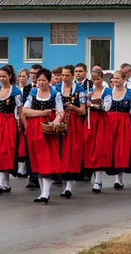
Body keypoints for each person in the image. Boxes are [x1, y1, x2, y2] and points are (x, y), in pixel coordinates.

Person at [23, 68, 64, 204]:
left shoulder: (55, 94)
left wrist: (57, 120)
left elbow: (60, 111)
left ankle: (46, 192)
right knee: (36, 158)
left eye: (43, 80)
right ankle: (42, 192)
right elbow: (25, 110)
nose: (40, 83)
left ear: (49, 80)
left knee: (47, 157)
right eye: (39, 80)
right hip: (34, 127)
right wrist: (41, 113)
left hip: (48, 128)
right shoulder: (33, 92)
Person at [106, 70, 131, 190]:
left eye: (118, 78)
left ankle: (119, 178)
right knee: (110, 149)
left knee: (121, 149)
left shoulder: (130, 93)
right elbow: (104, 108)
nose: (115, 80)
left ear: (123, 80)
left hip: (124, 123)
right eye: (114, 78)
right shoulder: (107, 92)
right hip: (110, 123)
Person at [0, 65, 23, 194]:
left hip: (9, 122)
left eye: (4, 76)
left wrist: (24, 126)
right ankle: (6, 183)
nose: (2, 79)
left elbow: (20, 111)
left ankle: (2, 183)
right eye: (0, 76)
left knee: (5, 151)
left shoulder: (16, 91)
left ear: (10, 76)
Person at [54, 65, 86, 199]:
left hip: (73, 122)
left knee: (72, 152)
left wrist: (73, 107)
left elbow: (83, 111)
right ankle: (63, 184)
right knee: (60, 151)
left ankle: (69, 186)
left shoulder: (79, 89)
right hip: (60, 121)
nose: (65, 78)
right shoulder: (56, 88)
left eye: (67, 75)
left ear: (72, 75)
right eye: (63, 75)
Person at [83, 70, 113, 193]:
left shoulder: (107, 91)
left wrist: (92, 105)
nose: (96, 82)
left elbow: (107, 107)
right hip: (91, 121)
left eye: (98, 79)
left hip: (101, 121)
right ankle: (93, 176)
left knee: (99, 148)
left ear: (102, 78)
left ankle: (98, 180)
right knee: (90, 148)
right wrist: (86, 99)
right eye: (94, 80)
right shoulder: (89, 91)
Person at [24, 63, 42, 190]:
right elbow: (21, 109)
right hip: (29, 122)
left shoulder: (47, 88)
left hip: (42, 121)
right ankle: (32, 177)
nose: (34, 76)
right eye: (32, 73)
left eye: (36, 73)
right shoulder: (25, 89)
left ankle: (43, 174)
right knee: (30, 150)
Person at [16, 68, 30, 177]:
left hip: (27, 116)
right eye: (20, 76)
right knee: (20, 142)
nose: (22, 78)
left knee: (26, 142)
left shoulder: (29, 89)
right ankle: (20, 166)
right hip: (18, 117)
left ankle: (25, 166)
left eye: (24, 76)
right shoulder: (17, 90)